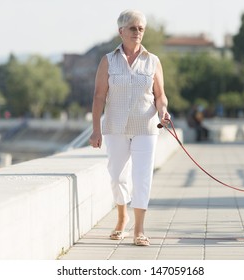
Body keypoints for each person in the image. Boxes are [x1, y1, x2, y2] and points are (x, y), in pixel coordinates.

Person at [89, 9, 170, 246]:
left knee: (142, 176)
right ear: (121, 31)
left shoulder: (153, 61)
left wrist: (163, 110)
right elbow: (98, 97)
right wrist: (96, 129)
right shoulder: (108, 60)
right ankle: (122, 216)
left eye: (141, 29)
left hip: (146, 127)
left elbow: (160, 95)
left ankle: (139, 229)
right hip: (114, 127)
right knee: (117, 176)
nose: (138, 33)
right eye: (133, 28)